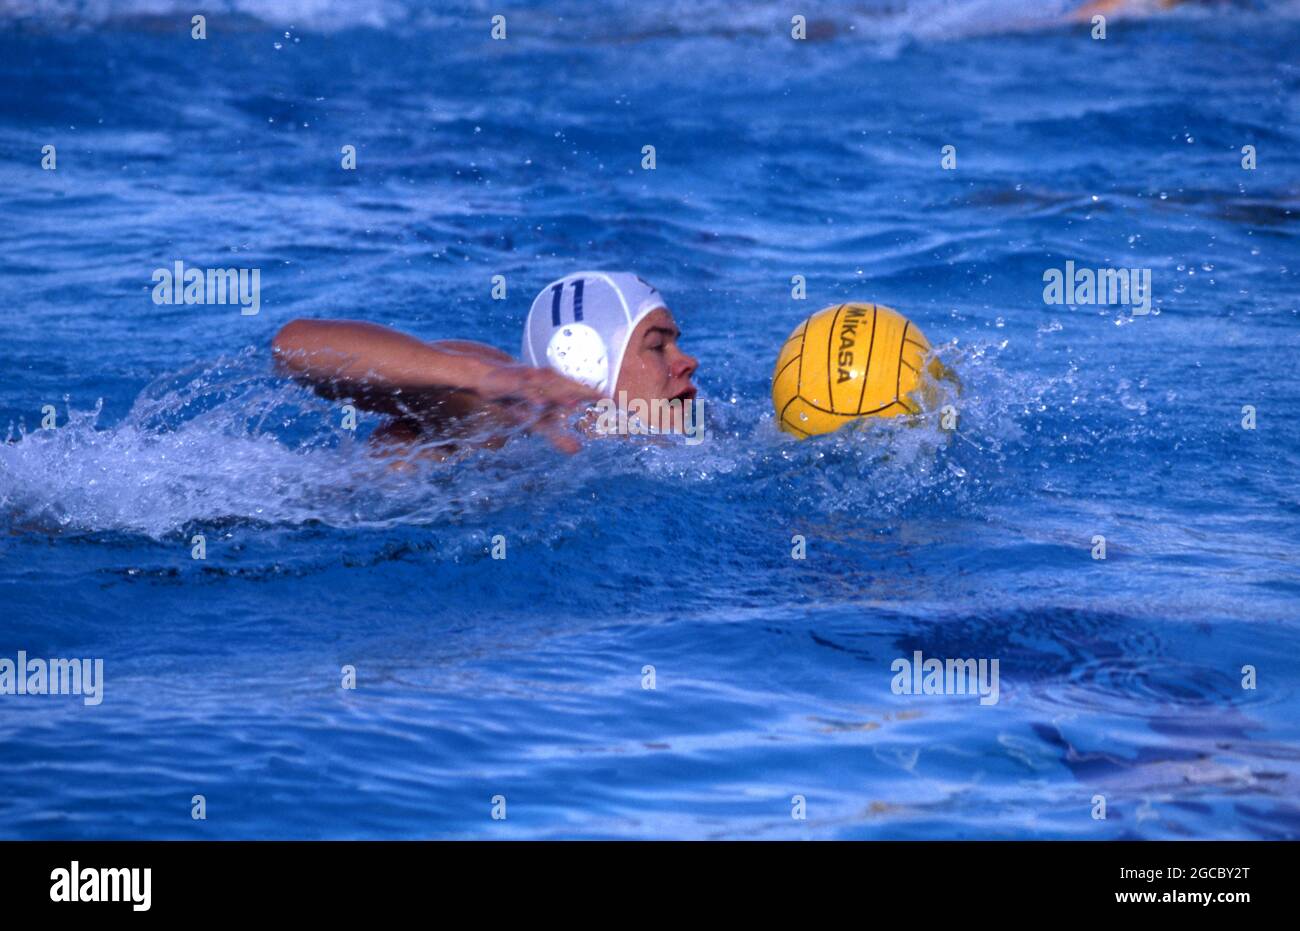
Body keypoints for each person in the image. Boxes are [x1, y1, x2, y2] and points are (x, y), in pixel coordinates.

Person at [272, 272, 699, 459]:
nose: (687, 362)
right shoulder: (506, 416)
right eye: (657, 346)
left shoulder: (690, 436)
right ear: (585, 360)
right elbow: (293, 347)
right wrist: (482, 378)